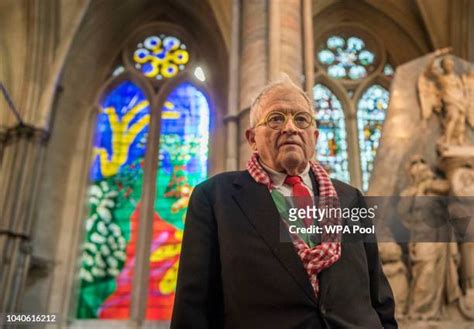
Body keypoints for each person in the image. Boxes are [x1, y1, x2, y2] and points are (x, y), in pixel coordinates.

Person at [171, 75, 397, 328]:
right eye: (276, 119)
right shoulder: (215, 198)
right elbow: (193, 306)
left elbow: (379, 296)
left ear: (315, 136)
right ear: (252, 138)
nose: (291, 128)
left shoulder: (351, 198)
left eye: (301, 119)